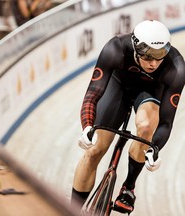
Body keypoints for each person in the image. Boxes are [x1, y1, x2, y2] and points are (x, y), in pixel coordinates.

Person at [71, 20, 185, 214]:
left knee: (147, 128)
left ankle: (128, 187)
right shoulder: (115, 48)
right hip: (118, 85)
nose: (154, 63)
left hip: (150, 92)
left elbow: (166, 123)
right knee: (94, 151)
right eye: (148, 56)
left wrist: (154, 148)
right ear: (135, 47)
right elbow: (93, 93)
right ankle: (70, 210)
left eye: (160, 57)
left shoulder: (177, 67)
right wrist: (87, 126)